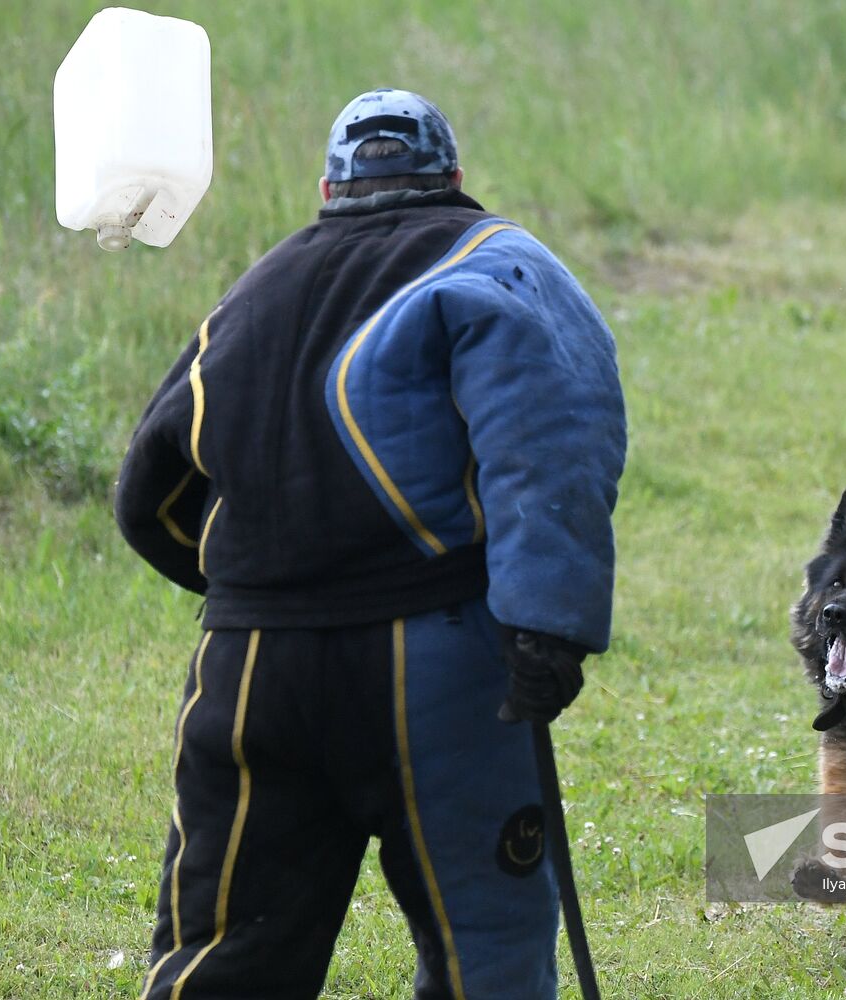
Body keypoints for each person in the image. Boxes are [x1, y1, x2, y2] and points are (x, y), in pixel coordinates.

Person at [115, 88, 626, 1000]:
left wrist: (262, 591)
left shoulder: (251, 292)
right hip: (432, 670)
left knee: (224, 960)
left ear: (328, 190)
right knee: (486, 952)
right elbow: (551, 440)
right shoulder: (499, 260)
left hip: (247, 674)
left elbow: (146, 498)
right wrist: (548, 626)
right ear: (453, 178)